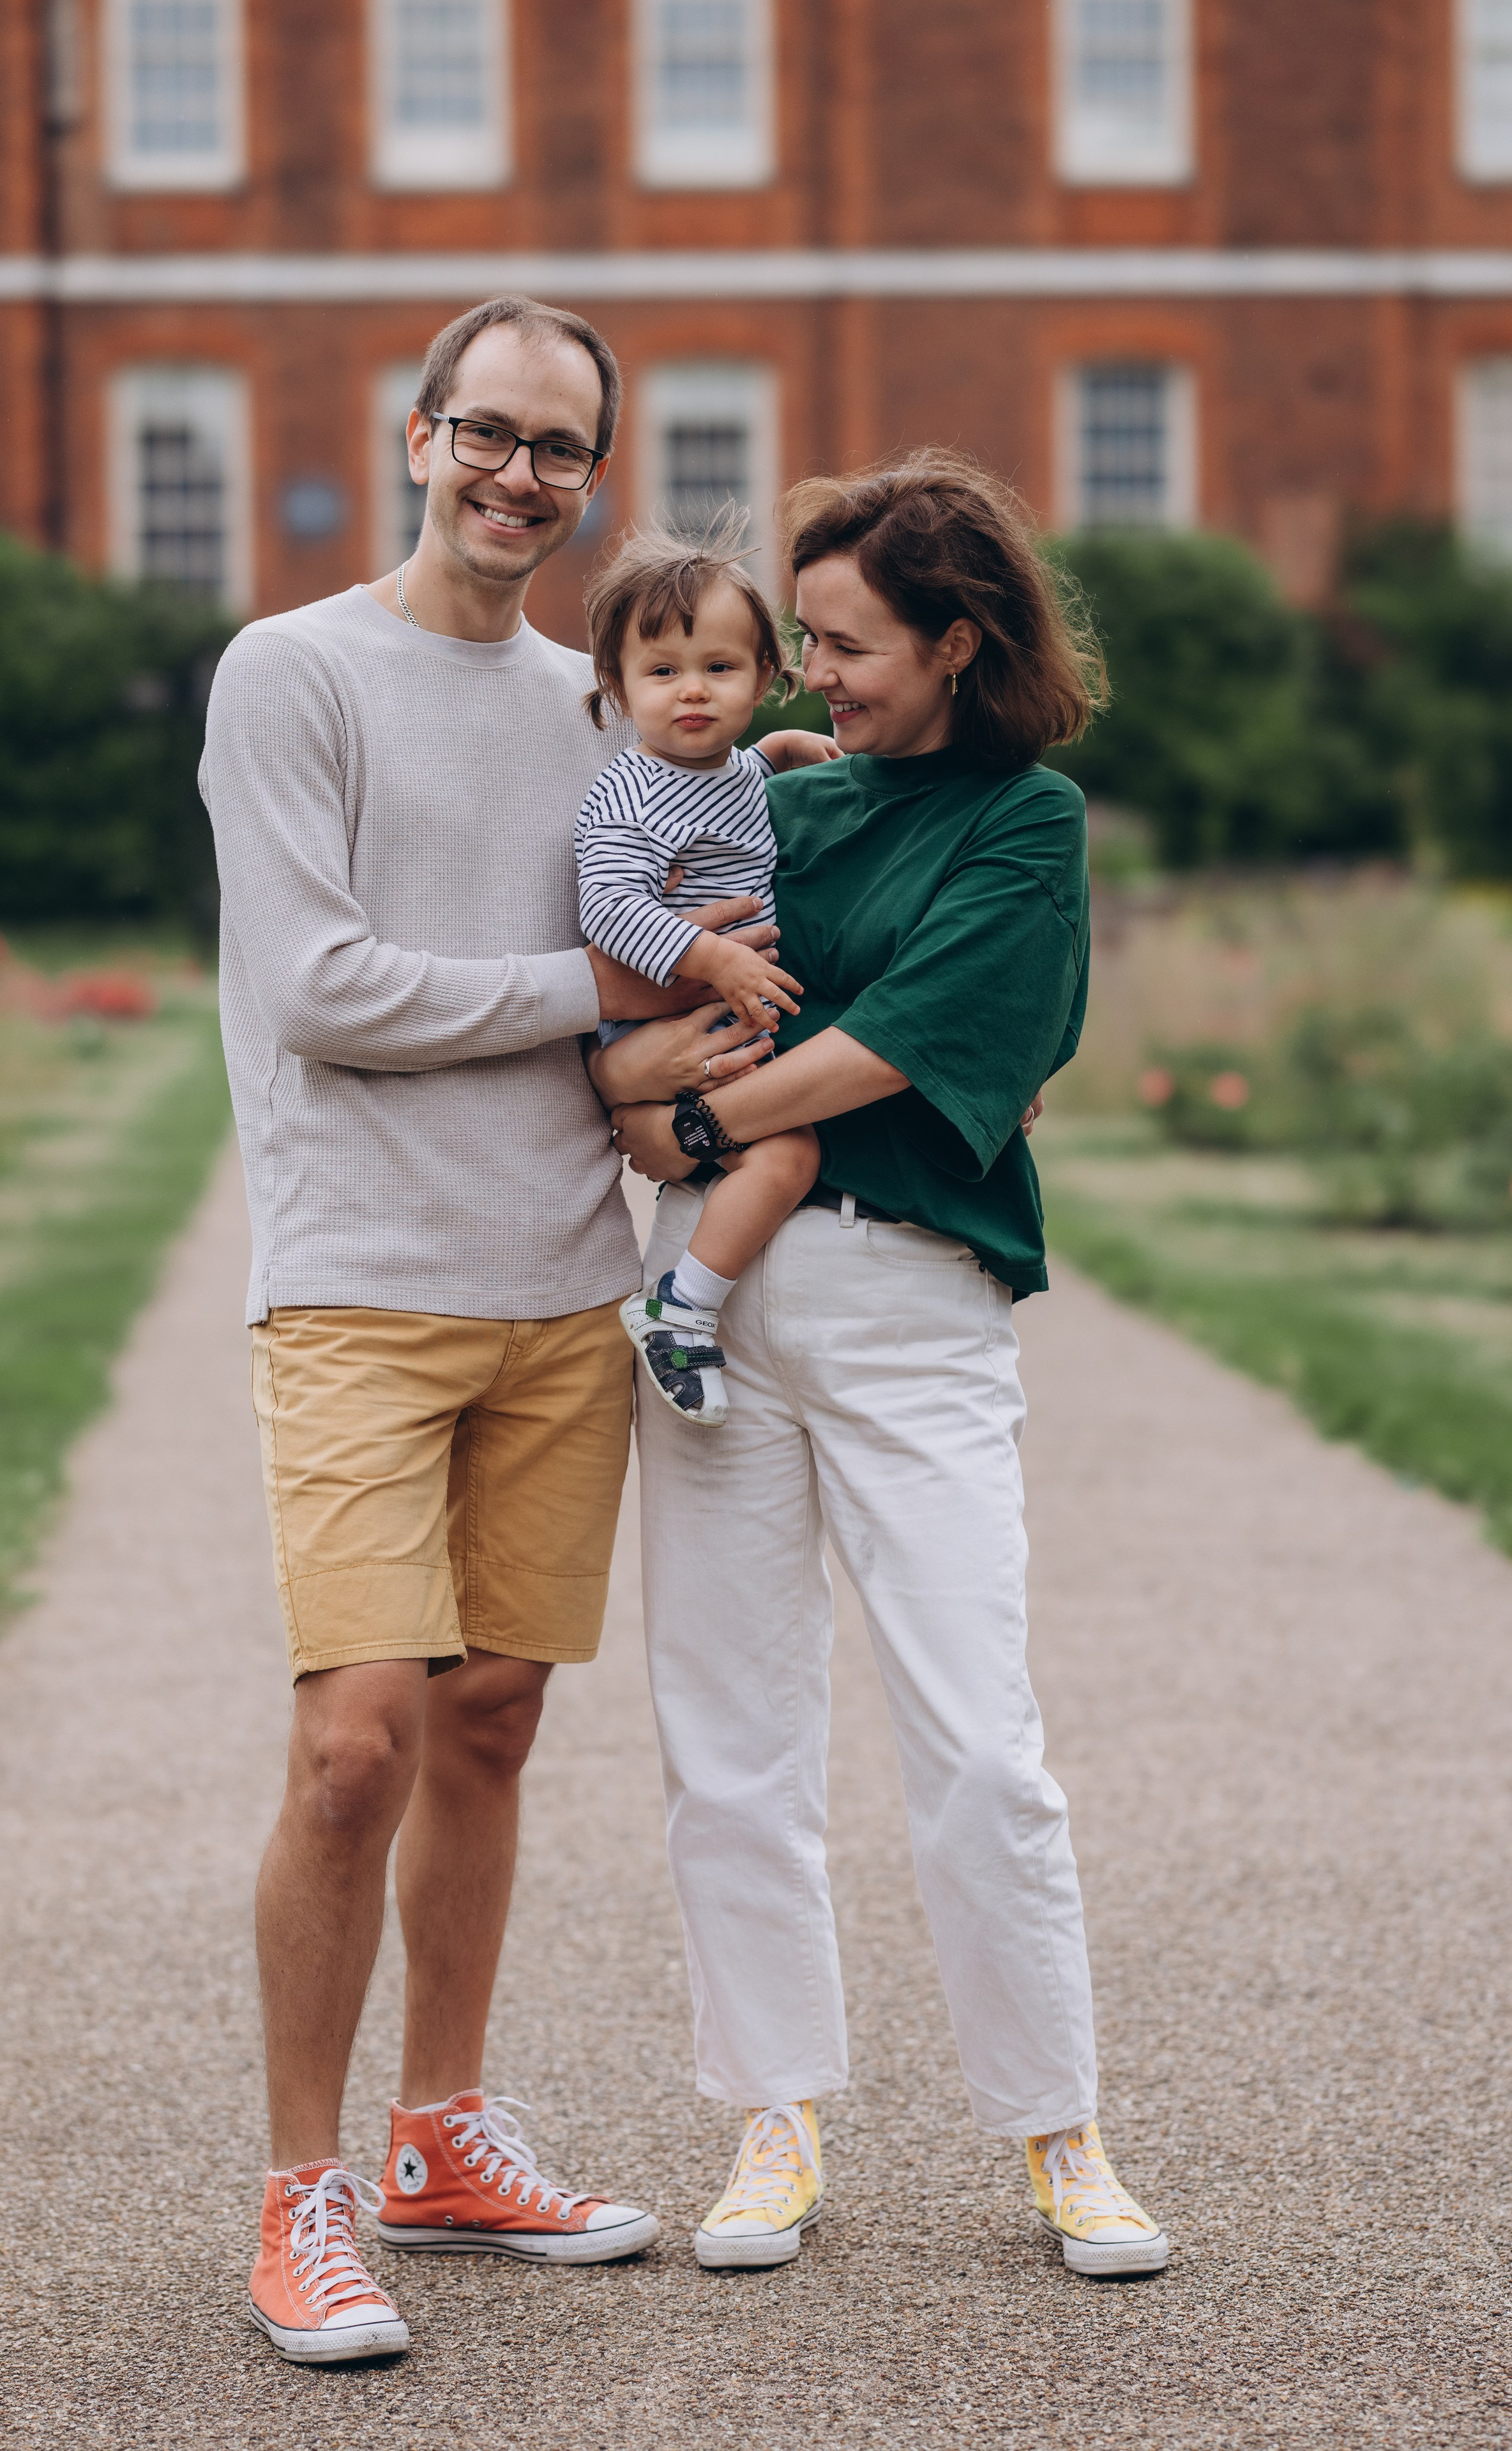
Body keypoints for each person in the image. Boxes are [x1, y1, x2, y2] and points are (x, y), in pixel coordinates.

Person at [202, 294, 775, 2365]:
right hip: (358, 1283)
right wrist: (602, 991)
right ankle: (304, 2191)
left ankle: (443, 2134)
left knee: (495, 1722)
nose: (523, 472)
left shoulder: (599, 700)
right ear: (422, 431)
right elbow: (328, 988)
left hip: (558, 1282)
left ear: (591, 478)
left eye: (564, 448)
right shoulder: (293, 671)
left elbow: (704, 867)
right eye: (493, 431)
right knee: (353, 1742)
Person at [603, 450, 1172, 2279]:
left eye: (845, 644)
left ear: (957, 637)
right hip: (718, 1310)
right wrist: (669, 1107)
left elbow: (913, 1042)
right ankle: (775, 2115)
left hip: (913, 1306)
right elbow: (616, 1041)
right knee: (730, 1738)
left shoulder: (1027, 822)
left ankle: (1059, 2125)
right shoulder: (775, 804)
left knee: (982, 1744)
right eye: (807, 644)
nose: (808, 677)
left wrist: (700, 1118)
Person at [575, 518, 838, 1424]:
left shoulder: (731, 771)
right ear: (617, 684)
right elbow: (609, 908)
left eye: (720, 670)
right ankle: (681, 1307)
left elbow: (723, 798)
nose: (692, 691)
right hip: (666, 1023)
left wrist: (776, 754)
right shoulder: (624, 792)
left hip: (730, 1014)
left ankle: (692, 1294)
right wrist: (714, 956)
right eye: (662, 672)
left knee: (786, 1138)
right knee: (790, 1151)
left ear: (765, 679)